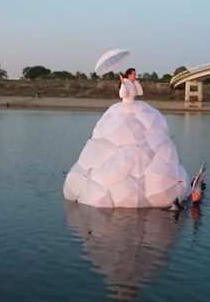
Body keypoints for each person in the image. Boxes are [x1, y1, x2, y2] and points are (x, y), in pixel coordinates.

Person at [64, 66, 191, 208]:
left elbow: (140, 93)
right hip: (124, 107)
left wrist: (136, 84)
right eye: (133, 74)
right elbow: (122, 94)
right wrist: (124, 85)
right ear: (129, 74)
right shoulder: (124, 84)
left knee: (139, 134)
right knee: (123, 130)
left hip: (136, 106)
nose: (135, 75)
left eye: (135, 74)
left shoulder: (135, 84)